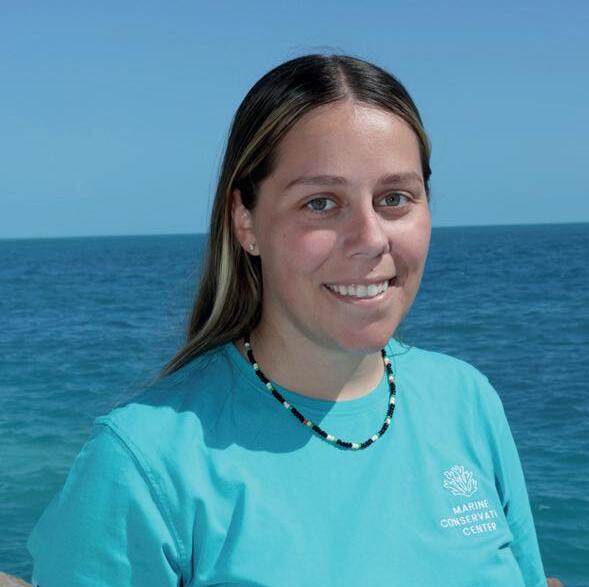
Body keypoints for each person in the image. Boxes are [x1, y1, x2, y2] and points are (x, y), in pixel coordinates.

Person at [27, 53, 560, 586]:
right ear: (246, 221)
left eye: (395, 198)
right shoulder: (142, 463)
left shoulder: (466, 400)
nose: (370, 239)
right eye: (321, 203)